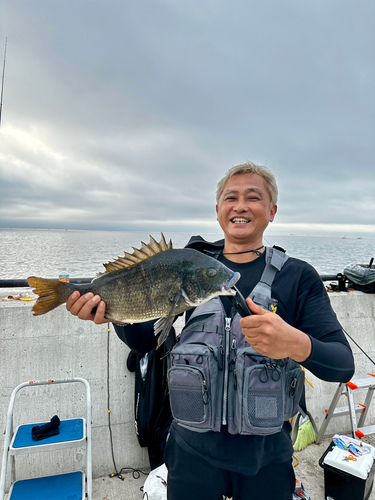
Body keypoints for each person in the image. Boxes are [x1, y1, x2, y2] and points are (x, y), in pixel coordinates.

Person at [66, 162, 355, 500]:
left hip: (267, 458)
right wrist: (115, 314)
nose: (241, 205)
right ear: (218, 210)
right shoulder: (191, 265)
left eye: (254, 197)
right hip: (190, 453)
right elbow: (145, 341)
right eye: (230, 197)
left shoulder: (298, 276)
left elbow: (342, 364)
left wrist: (297, 343)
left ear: (272, 211)